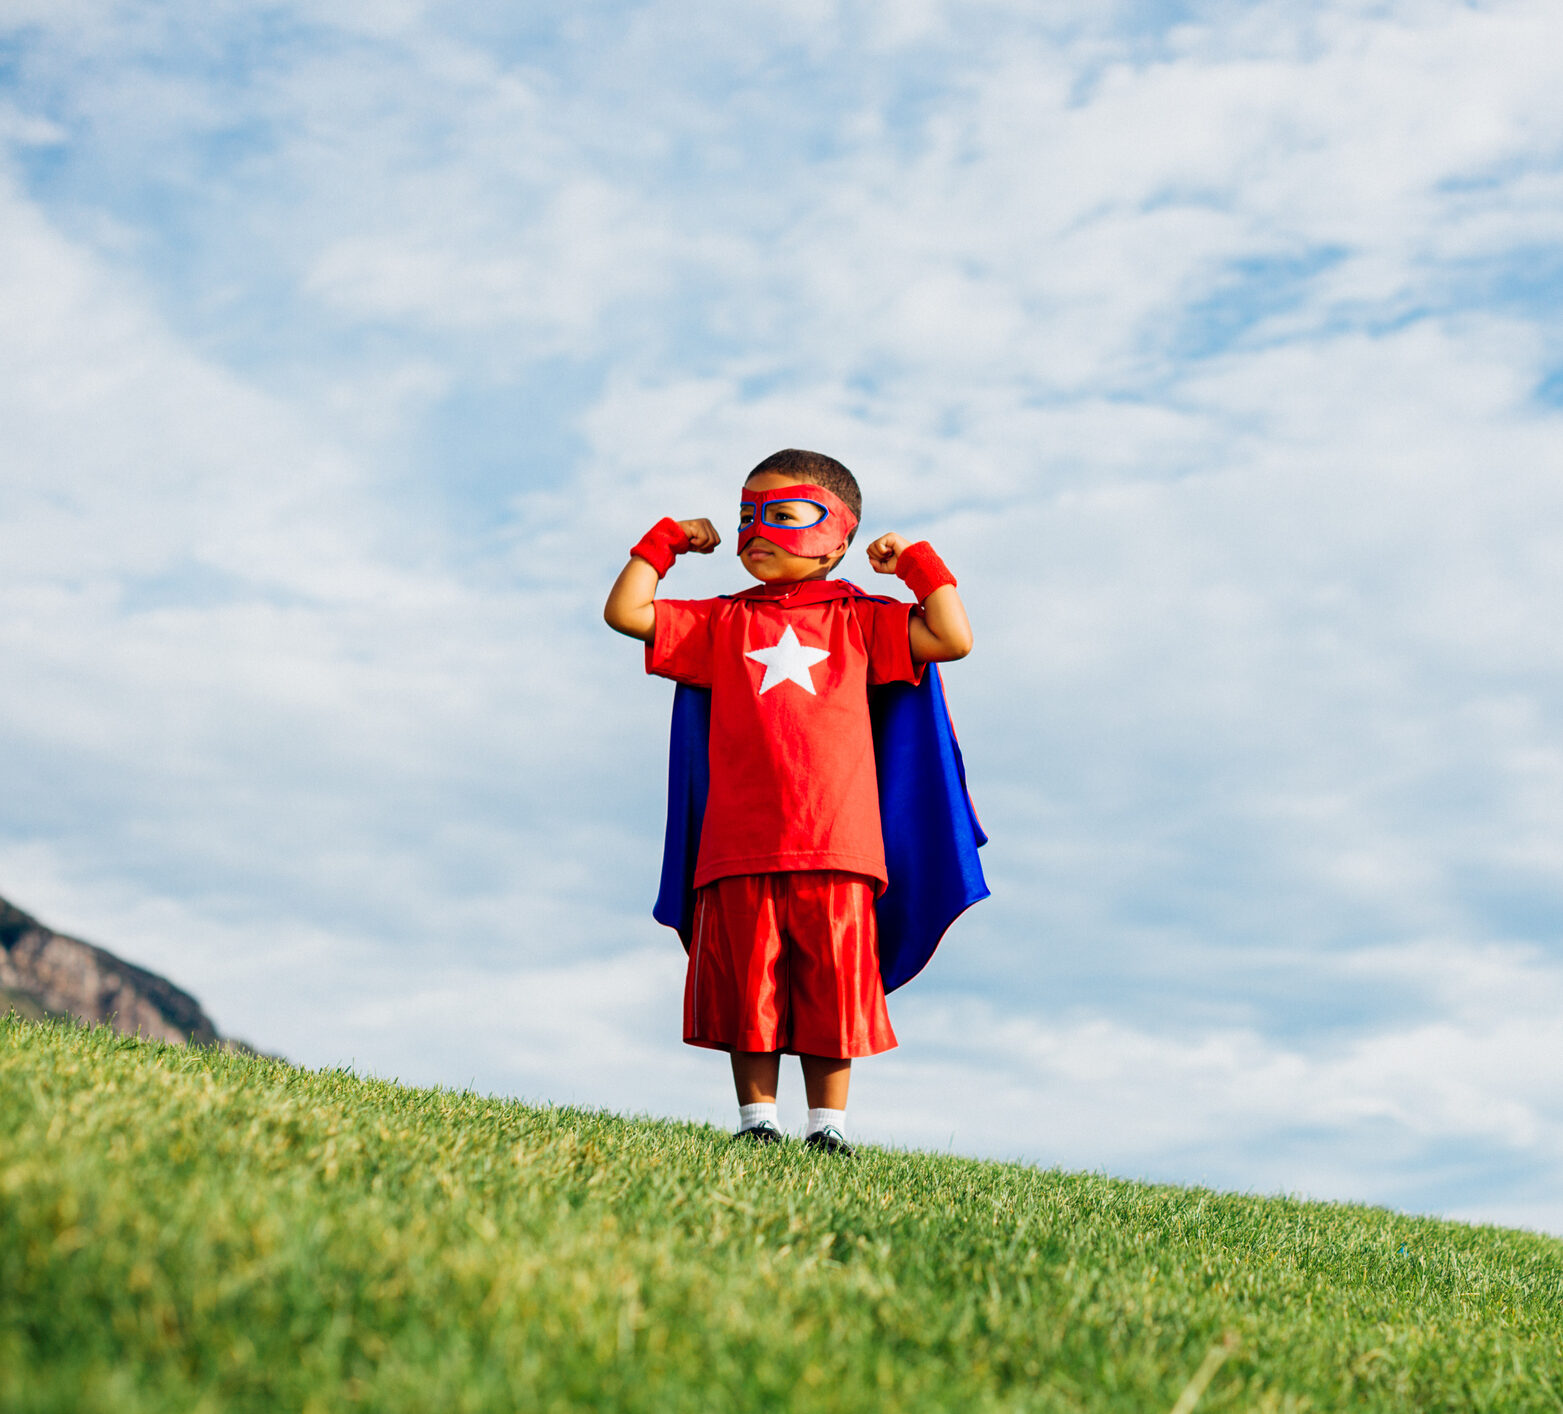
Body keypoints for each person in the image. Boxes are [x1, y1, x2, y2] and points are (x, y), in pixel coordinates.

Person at [603, 448, 974, 1155]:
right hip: (736, 842)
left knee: (832, 986)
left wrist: (919, 563)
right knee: (750, 989)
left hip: (838, 840)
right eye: (748, 516)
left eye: (784, 514)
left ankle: (827, 1127)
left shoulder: (861, 618)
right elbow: (628, 613)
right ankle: (757, 1120)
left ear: (839, 535)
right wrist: (665, 542)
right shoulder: (721, 621)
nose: (758, 533)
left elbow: (951, 637)